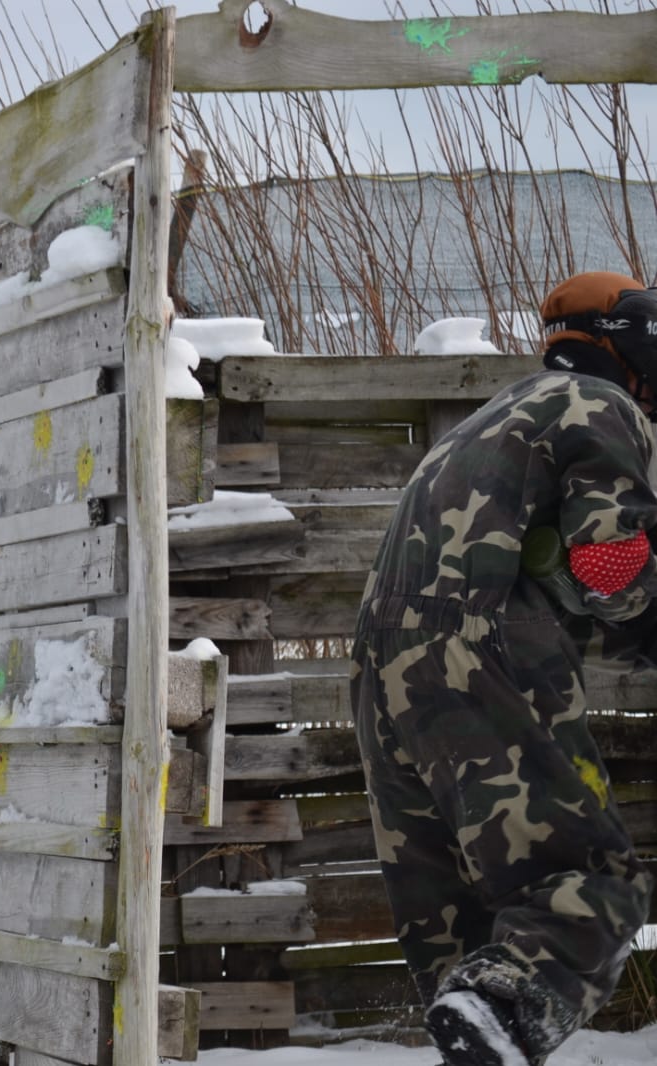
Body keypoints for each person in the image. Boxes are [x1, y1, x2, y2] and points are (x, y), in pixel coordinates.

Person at [351, 271, 657, 1066]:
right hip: (481, 647)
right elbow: (608, 559)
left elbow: (551, 561)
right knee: (591, 885)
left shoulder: (497, 414)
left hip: (383, 665)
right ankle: (500, 1017)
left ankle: (483, 1040)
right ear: (628, 339)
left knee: (461, 929)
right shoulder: (600, 406)